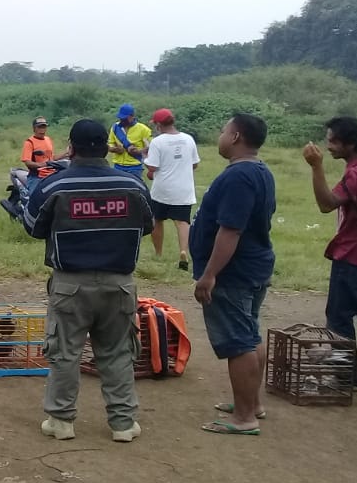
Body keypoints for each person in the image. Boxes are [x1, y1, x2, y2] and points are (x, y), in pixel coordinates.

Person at [24, 119, 154, 442]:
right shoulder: (133, 186)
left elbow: (31, 226)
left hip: (71, 285)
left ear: (71, 147)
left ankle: (61, 421)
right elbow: (148, 225)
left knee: (65, 353)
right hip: (120, 284)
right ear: (105, 147)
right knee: (117, 353)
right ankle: (123, 424)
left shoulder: (55, 185)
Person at [191, 112, 276, 436]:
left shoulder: (238, 177)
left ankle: (244, 418)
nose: (220, 134)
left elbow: (230, 231)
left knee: (239, 342)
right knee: (250, 333)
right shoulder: (260, 170)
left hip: (234, 271)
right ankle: (252, 404)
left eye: (224, 129)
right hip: (254, 264)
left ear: (236, 136)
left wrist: (210, 274)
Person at [303, 116, 357, 396]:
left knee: (338, 319)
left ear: (351, 144)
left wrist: (316, 166)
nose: (329, 145)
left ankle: (343, 377)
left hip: (353, 256)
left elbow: (327, 204)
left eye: (334, 141)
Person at [145, 108, 200, 271]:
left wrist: (144, 159)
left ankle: (158, 253)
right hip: (183, 190)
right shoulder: (188, 139)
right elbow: (195, 164)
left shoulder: (158, 142)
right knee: (183, 222)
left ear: (159, 125)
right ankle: (183, 251)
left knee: (157, 220)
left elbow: (152, 167)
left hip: (162, 190)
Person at [108, 104, 152, 179]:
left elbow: (151, 148)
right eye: (120, 118)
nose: (122, 120)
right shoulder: (115, 127)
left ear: (132, 116)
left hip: (135, 167)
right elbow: (110, 144)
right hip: (117, 166)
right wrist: (115, 149)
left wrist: (138, 151)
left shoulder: (144, 129)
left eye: (125, 118)